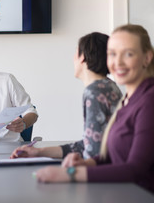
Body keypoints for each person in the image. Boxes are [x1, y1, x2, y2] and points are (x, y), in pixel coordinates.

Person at [36, 24, 154, 193]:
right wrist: (88, 163)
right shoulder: (128, 99)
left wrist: (70, 173)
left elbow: (136, 169)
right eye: (112, 54)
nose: (118, 62)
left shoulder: (149, 101)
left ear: (147, 57)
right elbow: (114, 155)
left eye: (128, 54)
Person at [11, 32, 122, 160]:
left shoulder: (94, 92)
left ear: (82, 57)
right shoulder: (109, 86)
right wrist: (39, 152)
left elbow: (94, 153)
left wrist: (70, 172)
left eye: (75, 52)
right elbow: (88, 144)